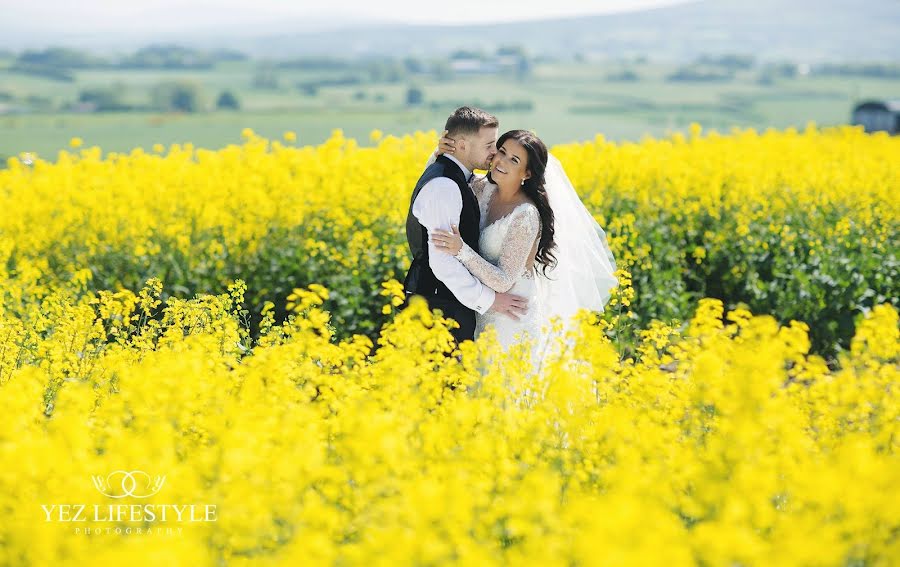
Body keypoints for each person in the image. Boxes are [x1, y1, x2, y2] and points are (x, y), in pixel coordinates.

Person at [403, 106, 529, 346]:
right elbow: (443, 262)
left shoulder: (457, 178)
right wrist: (490, 301)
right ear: (461, 145)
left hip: (444, 305)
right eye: (489, 145)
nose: (494, 154)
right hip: (438, 309)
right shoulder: (444, 186)